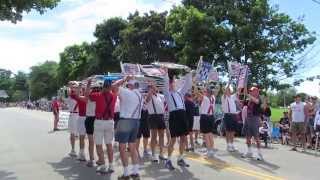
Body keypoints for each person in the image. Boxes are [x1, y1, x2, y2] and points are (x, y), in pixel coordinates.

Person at [112, 77, 143, 180]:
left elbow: (114, 86)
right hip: (136, 121)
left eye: (128, 85)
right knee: (132, 147)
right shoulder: (140, 95)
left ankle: (126, 174)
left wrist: (124, 78)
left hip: (126, 120)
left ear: (130, 85)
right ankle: (135, 171)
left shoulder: (127, 93)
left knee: (122, 148)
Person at [163, 68, 193, 170]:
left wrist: (188, 73)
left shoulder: (180, 93)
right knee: (173, 139)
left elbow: (188, 84)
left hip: (182, 115)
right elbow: (165, 83)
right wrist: (166, 73)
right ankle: (168, 160)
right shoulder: (167, 93)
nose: (173, 84)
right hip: (174, 115)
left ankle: (180, 158)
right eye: (171, 82)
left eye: (173, 83)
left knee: (184, 138)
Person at [87, 78, 116, 174]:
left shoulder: (98, 95)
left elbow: (87, 95)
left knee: (99, 144)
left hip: (99, 122)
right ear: (110, 87)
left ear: (103, 87)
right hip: (110, 122)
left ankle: (103, 165)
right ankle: (111, 165)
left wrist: (89, 84)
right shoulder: (114, 96)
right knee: (109, 145)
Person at [145, 84, 167, 162]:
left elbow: (166, 99)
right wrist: (150, 91)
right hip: (153, 117)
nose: (154, 88)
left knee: (161, 135)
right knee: (153, 136)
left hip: (160, 116)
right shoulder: (148, 95)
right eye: (152, 88)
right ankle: (153, 154)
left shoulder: (159, 96)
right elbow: (147, 100)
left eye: (154, 87)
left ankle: (161, 153)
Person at [242, 86, 263, 160]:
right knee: (247, 136)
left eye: (252, 91)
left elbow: (256, 102)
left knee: (256, 137)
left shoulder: (259, 98)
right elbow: (243, 104)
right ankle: (249, 151)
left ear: (256, 92)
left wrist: (248, 95)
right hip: (248, 119)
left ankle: (259, 154)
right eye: (250, 91)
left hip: (254, 119)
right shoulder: (249, 99)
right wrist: (245, 93)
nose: (250, 92)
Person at [71, 87, 88, 162]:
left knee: (81, 137)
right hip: (90, 118)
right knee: (90, 138)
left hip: (82, 118)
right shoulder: (91, 98)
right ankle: (90, 156)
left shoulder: (80, 98)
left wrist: (77, 87)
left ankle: (82, 154)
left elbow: (73, 95)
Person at [221, 84, 239, 152]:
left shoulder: (232, 97)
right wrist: (228, 83)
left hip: (234, 115)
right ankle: (228, 145)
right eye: (227, 90)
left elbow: (238, 91)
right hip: (227, 115)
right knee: (228, 131)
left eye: (229, 90)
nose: (228, 91)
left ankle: (231, 144)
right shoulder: (224, 97)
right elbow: (225, 92)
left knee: (233, 131)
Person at [84, 84, 98, 167]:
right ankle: (99, 159)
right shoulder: (100, 97)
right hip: (97, 119)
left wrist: (89, 84)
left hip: (90, 119)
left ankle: (92, 159)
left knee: (91, 141)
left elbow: (86, 93)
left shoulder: (89, 97)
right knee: (98, 141)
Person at [199, 88, 216, 157]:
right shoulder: (213, 98)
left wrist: (194, 84)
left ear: (207, 93)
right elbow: (213, 92)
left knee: (206, 135)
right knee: (210, 134)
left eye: (205, 91)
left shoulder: (205, 98)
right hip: (211, 117)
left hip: (205, 117)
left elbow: (198, 93)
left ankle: (209, 151)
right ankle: (211, 150)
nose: (204, 92)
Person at [65, 81, 79, 157]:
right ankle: (79, 150)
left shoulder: (72, 96)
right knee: (79, 134)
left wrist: (70, 86)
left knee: (72, 134)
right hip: (79, 115)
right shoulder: (81, 95)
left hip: (74, 116)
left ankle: (73, 150)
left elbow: (68, 92)